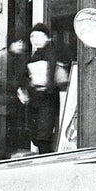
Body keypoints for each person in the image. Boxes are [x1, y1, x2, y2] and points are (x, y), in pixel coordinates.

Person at [17, 22, 69, 154]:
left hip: (47, 99)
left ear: (47, 38)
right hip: (35, 99)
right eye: (32, 37)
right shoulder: (33, 55)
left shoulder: (53, 53)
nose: (35, 40)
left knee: (43, 136)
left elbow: (56, 78)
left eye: (39, 36)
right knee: (36, 136)